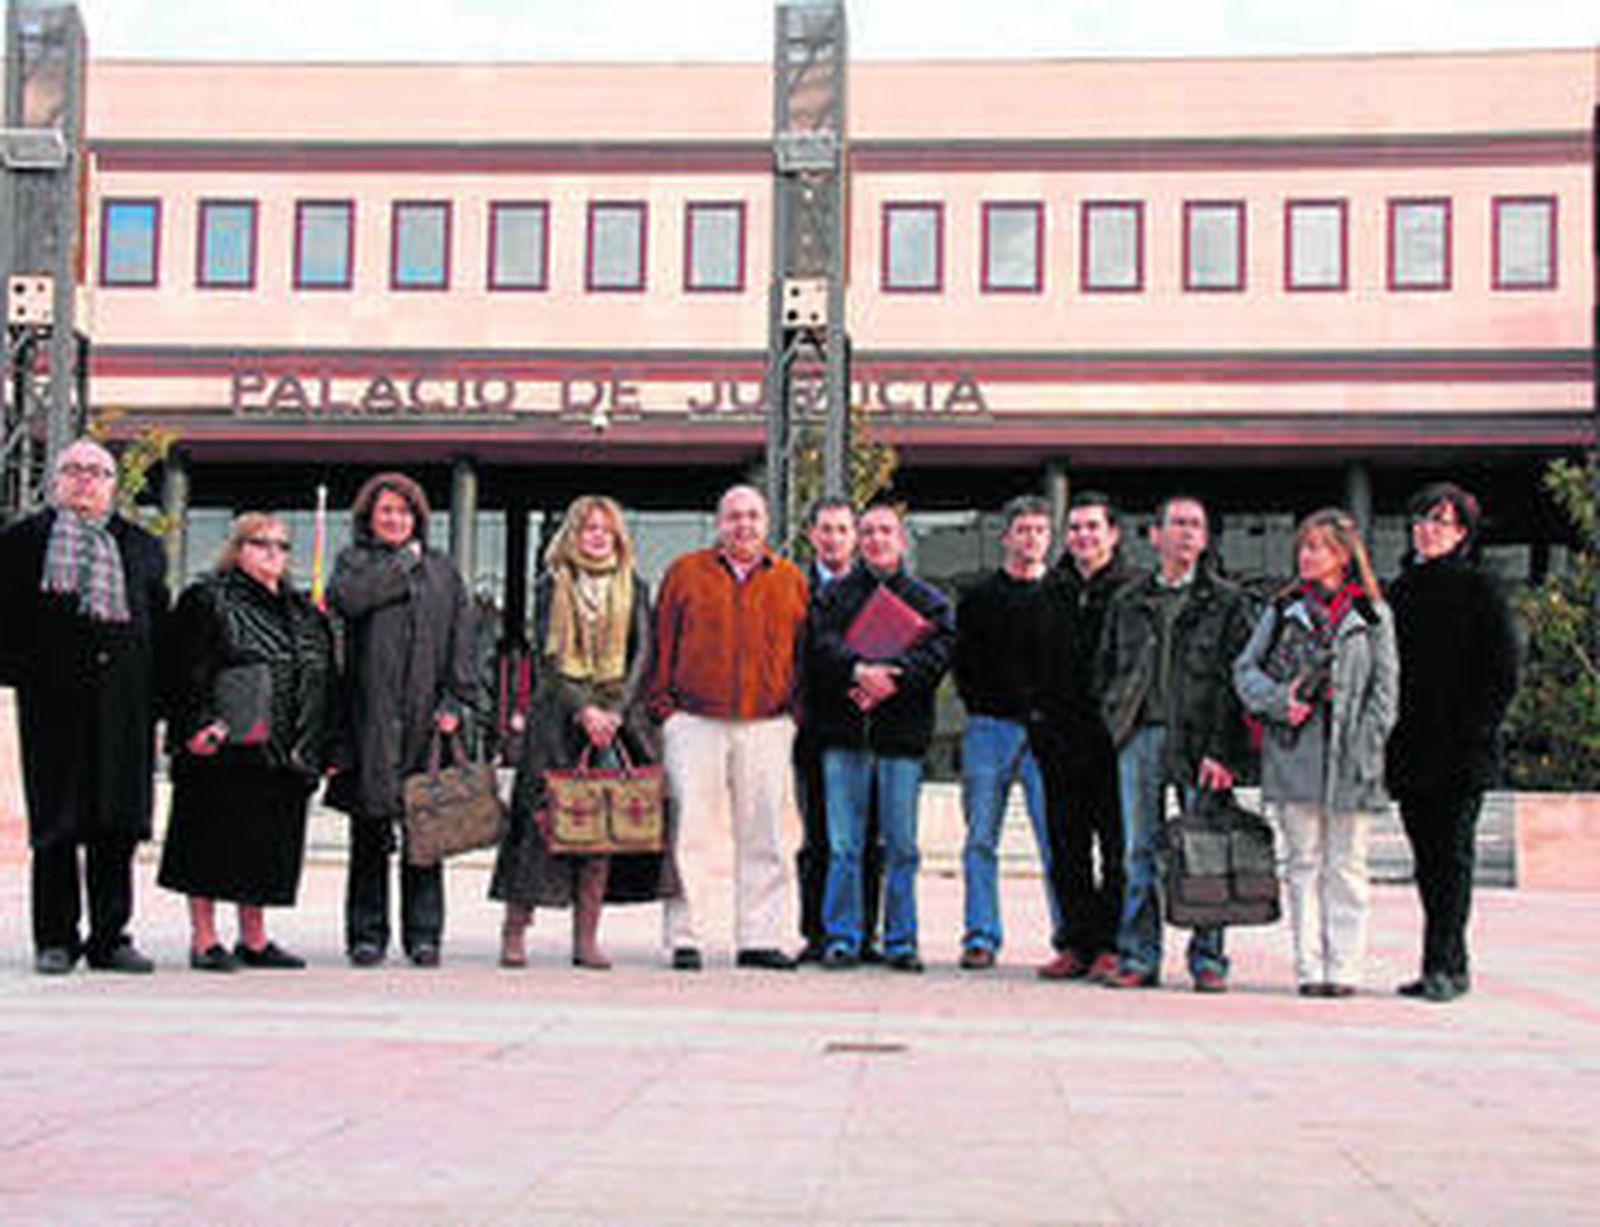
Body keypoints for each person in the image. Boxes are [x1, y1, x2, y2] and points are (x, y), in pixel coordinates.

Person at [0, 439, 170, 975]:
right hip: (53, 707)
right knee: (56, 826)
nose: (84, 481)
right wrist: (26, 674)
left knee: (116, 825)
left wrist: (161, 710)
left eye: (96, 473)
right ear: (55, 480)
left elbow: (159, 630)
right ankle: (55, 938)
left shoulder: (141, 546)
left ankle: (110, 937)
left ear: (113, 485)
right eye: (73, 470)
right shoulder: (22, 543)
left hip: (125, 709)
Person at [490, 496, 679, 969]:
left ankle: (586, 938)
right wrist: (584, 710)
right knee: (538, 827)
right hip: (558, 719)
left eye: (606, 530)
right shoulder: (551, 583)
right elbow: (546, 657)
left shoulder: (633, 585)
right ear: (573, 534)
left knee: (602, 828)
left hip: (616, 723)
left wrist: (612, 710)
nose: (598, 536)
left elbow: (642, 653)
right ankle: (516, 931)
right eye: (589, 528)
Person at [158, 513, 338, 971]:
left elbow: (327, 678)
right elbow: (183, 668)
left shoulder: (302, 610)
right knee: (209, 843)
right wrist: (198, 723)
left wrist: (328, 745)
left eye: (281, 545)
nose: (272, 553)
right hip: (224, 748)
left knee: (264, 848)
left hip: (287, 748)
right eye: (260, 544)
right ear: (238, 549)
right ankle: (204, 939)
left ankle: (253, 939)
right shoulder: (208, 597)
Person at [1234, 509, 1398, 998]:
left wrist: (1367, 748)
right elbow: (1244, 671)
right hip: (1295, 753)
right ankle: (1308, 968)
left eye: (1317, 548)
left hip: (1352, 760)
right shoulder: (1282, 610)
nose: (1306, 556)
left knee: (1346, 866)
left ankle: (1344, 967)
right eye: (1303, 547)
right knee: (1303, 864)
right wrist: (1279, 702)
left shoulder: (1371, 614)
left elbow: (1385, 693)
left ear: (1343, 557)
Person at [1096, 494, 1255, 992]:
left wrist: (1224, 751)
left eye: (1195, 526)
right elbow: (1105, 669)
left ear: (1205, 539)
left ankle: (1208, 959)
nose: (1186, 533)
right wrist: (1115, 718)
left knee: (1206, 851)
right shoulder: (1129, 599)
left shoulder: (1227, 602)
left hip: (1201, 741)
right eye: (1177, 524)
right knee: (1137, 852)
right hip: (1138, 736)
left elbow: (1239, 685)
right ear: (1155, 535)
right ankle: (1139, 956)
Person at [649, 484, 809, 970]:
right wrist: (665, 710)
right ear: (719, 523)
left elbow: (803, 654)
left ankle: (759, 937)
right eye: (734, 516)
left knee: (769, 836)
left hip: (767, 724)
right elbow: (661, 643)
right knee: (690, 834)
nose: (744, 525)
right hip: (694, 722)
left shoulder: (789, 579)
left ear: (767, 524)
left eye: (753, 517)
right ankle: (686, 937)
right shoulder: (685, 574)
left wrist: (794, 714)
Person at [326, 472, 478, 968]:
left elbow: (461, 643)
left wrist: (455, 703)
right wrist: (402, 564)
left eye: (404, 511)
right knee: (369, 832)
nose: (394, 519)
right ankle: (366, 934)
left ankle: (424, 934)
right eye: (385, 511)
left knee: (425, 833)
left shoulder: (442, 571)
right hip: (367, 717)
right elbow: (348, 601)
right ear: (370, 517)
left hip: (425, 721)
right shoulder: (354, 563)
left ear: (418, 518)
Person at [808, 501, 955, 972]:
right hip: (844, 735)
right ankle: (843, 938)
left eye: (884, 531)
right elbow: (820, 646)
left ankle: (901, 941)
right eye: (867, 532)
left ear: (902, 538)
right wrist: (858, 670)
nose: (875, 539)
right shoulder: (831, 597)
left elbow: (939, 654)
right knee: (844, 846)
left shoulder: (929, 600)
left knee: (902, 847)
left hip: (901, 740)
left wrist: (894, 676)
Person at [1385, 483, 1517, 1003]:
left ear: (1461, 532)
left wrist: (1476, 728)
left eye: (1441, 521)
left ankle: (1450, 965)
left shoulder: (1482, 588)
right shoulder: (1401, 590)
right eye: (1422, 519)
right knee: (1426, 860)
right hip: (1413, 747)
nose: (1429, 529)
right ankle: (1434, 962)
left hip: (1461, 750)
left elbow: (1502, 670)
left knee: (1452, 859)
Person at [1031, 492, 1136, 981]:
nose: (1083, 536)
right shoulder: (1049, 591)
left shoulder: (1134, 591)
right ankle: (1075, 942)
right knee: (1066, 849)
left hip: (1115, 743)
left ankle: (1113, 943)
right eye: (1074, 528)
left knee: (1118, 849)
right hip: (1058, 742)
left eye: (1092, 527)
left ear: (1112, 533)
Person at [953, 495, 1057, 971]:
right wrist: (983, 705)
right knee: (980, 839)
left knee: (1056, 839)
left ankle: (1069, 935)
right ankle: (980, 935)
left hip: (1045, 734)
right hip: (989, 729)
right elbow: (963, 663)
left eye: (1039, 530)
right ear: (1006, 537)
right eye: (1023, 530)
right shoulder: (977, 597)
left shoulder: (1061, 595)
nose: (1031, 538)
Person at [794, 497, 884, 963]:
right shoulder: (793, 586)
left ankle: (863, 933)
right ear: (811, 535)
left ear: (854, 536)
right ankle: (817, 932)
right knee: (817, 837)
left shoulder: (873, 590)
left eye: (842, 530)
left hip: (862, 727)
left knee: (865, 838)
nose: (833, 538)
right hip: (808, 728)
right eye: (825, 529)